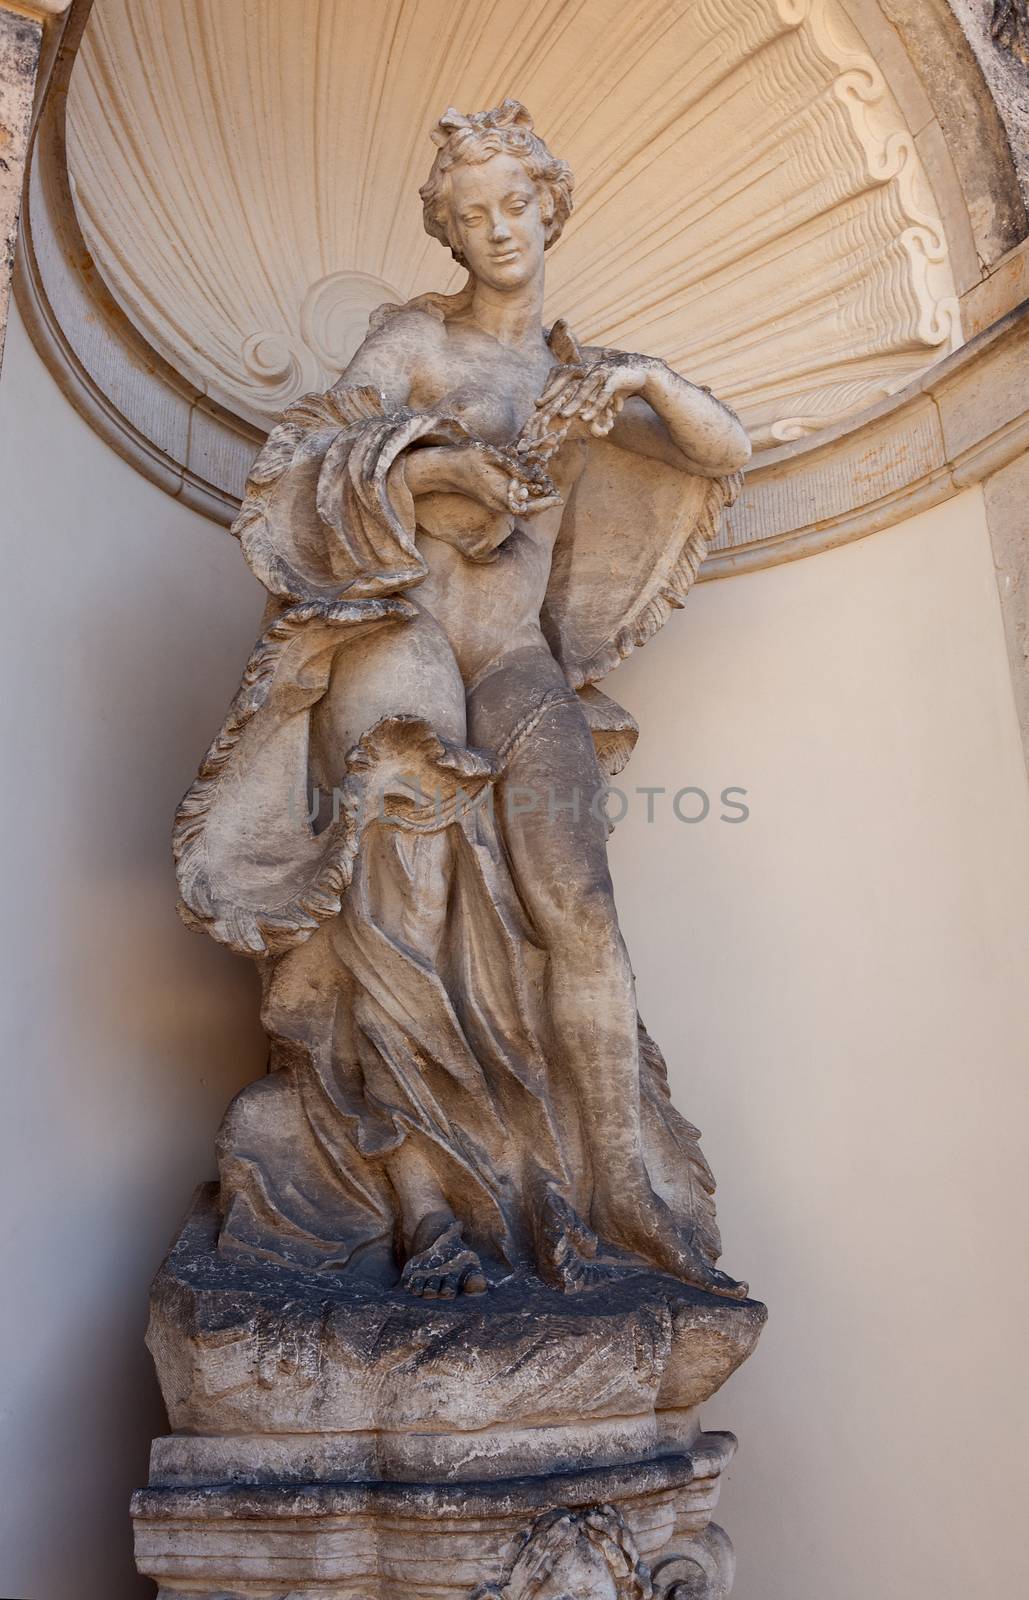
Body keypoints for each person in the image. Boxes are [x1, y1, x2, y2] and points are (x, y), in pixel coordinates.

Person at [175, 101, 751, 1301]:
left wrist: (642, 375)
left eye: (516, 206)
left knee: (578, 905)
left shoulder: (583, 380)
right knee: (405, 897)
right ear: (448, 230)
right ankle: (431, 1208)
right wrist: (440, 462)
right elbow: (304, 461)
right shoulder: (414, 341)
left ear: (550, 210)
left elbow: (724, 449)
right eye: (471, 212)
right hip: (409, 634)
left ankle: (616, 1193)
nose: (497, 229)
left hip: (518, 658)